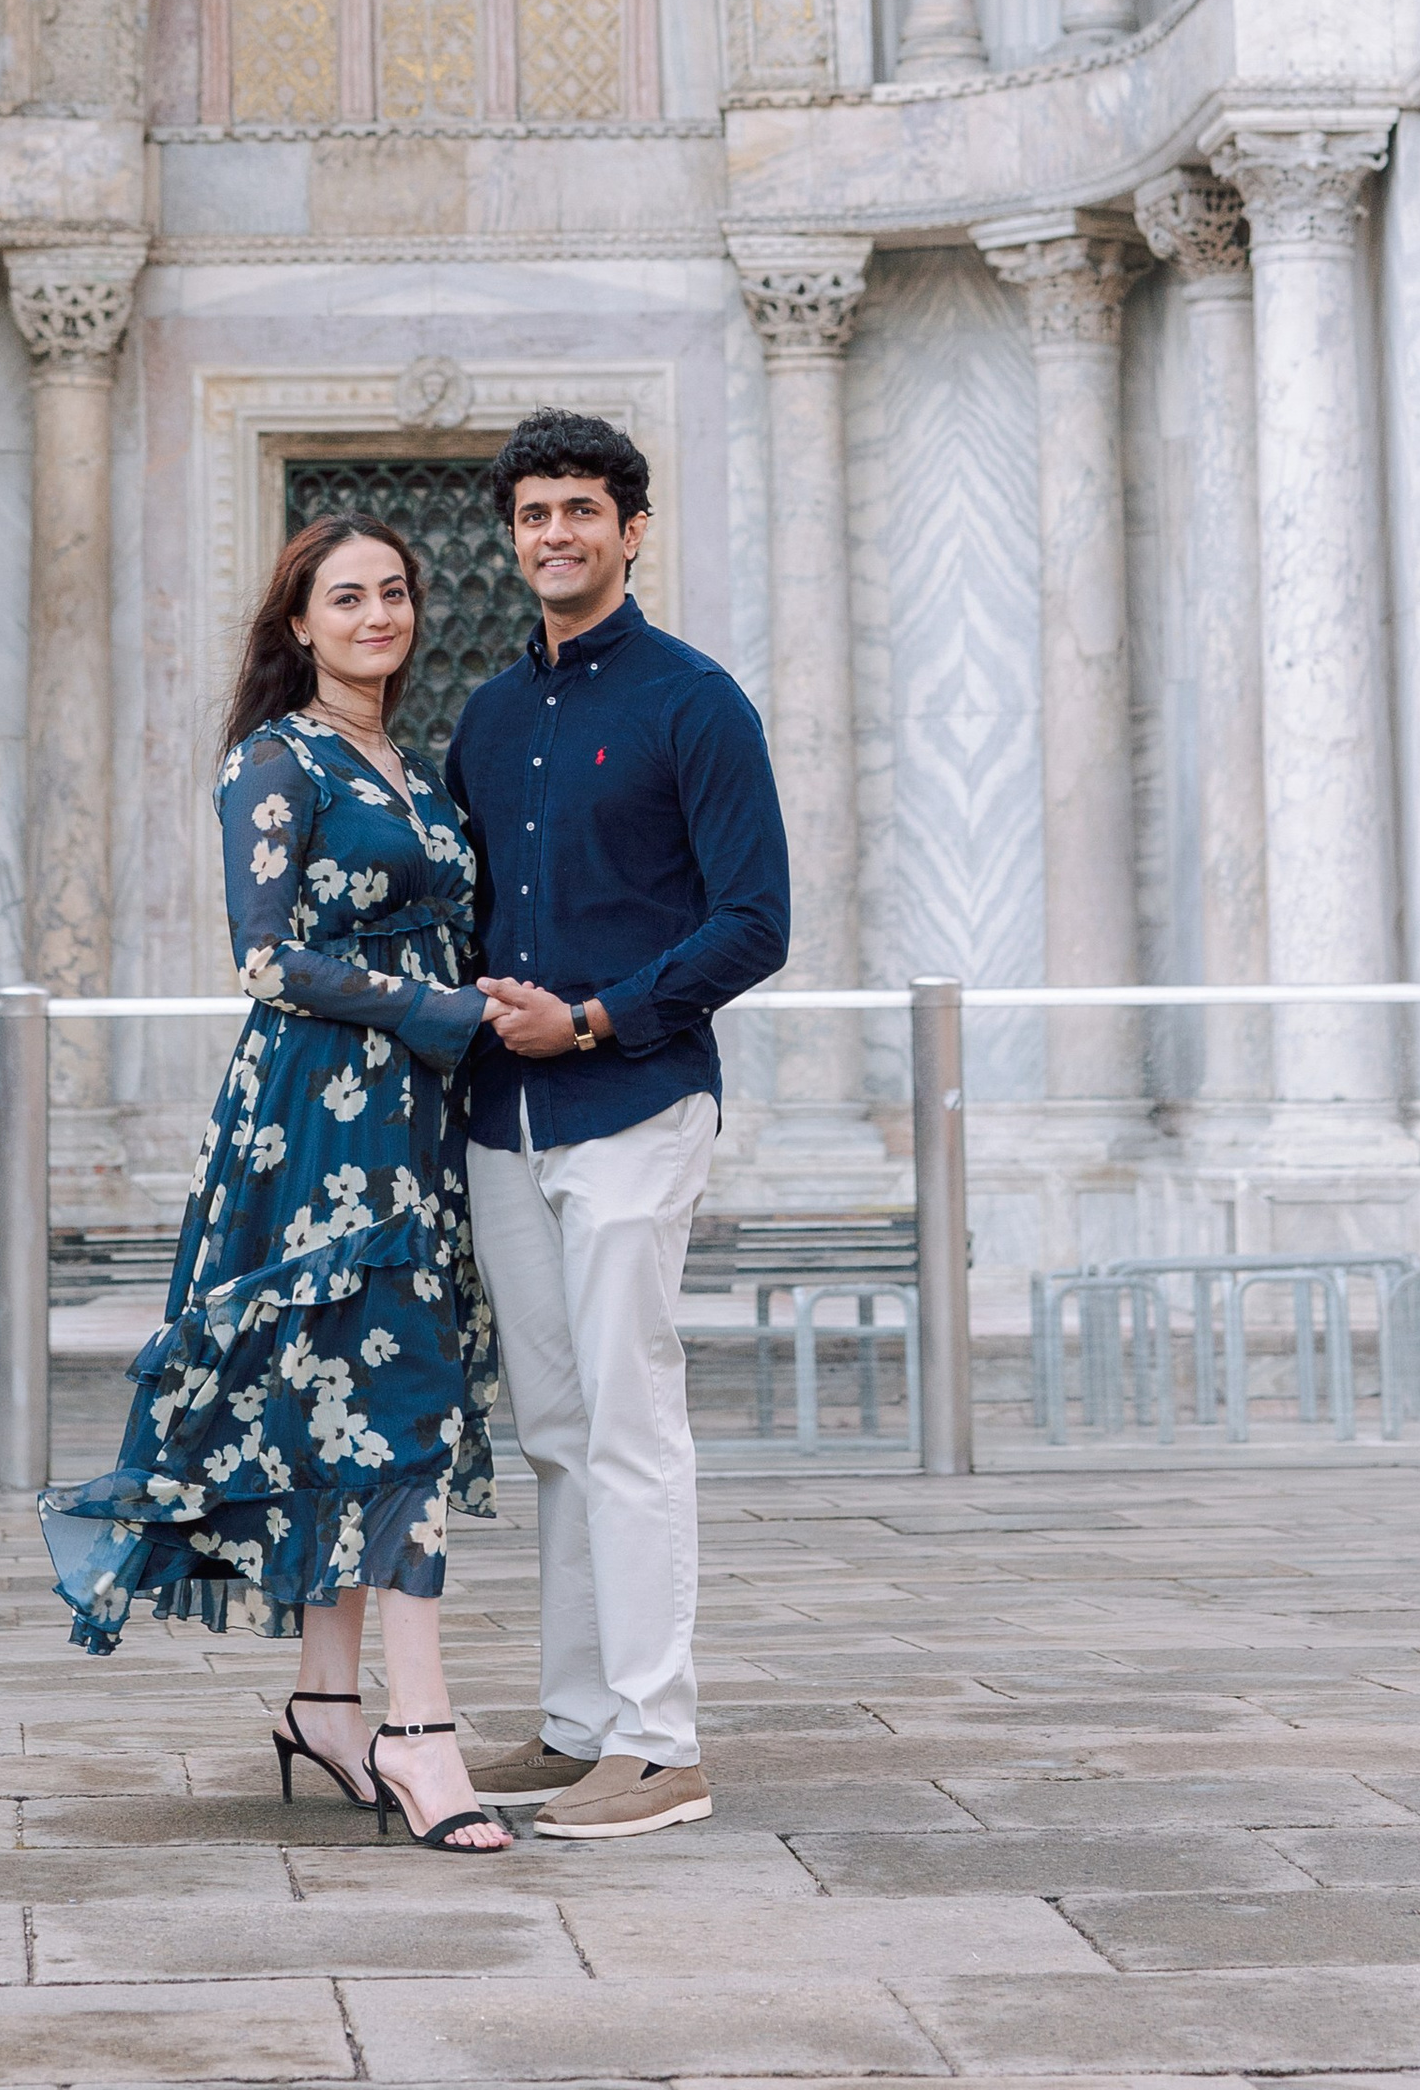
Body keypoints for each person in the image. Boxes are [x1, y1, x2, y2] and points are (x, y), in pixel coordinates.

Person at [39, 517, 511, 1855]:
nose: (378, 614)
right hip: (316, 1122)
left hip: (416, 1121)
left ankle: (325, 1703)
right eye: (346, 597)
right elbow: (267, 960)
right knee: (403, 1406)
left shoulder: (414, 769)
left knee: (351, 1404)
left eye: (395, 593)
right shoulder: (275, 757)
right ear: (297, 624)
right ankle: (420, 1733)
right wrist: (442, 1010)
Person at [445, 412, 790, 1842]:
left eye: (583, 510)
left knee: (633, 1420)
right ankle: (583, 1722)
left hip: (635, 1100)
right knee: (558, 1432)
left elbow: (756, 922)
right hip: (501, 1120)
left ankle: (661, 1743)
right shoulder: (488, 716)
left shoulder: (694, 702)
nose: (557, 536)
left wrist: (593, 1021)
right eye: (535, 514)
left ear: (633, 529)